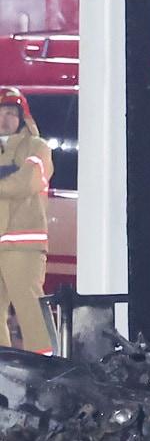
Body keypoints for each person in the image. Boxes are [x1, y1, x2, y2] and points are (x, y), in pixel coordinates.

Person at [0, 88, 54, 355]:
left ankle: (48, 370)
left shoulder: (37, 147)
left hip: (23, 247)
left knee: (31, 310)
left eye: (11, 113)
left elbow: (27, 182)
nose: (4, 119)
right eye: (0, 113)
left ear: (22, 117)